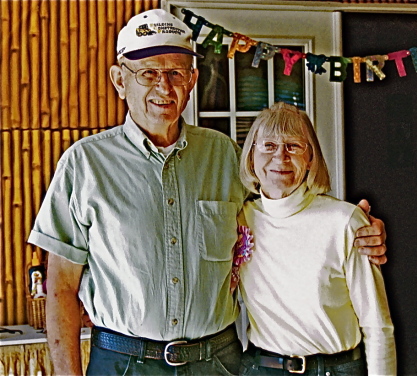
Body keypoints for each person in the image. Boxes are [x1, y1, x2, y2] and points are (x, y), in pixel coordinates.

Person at [27, 9, 387, 376]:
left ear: (192, 79)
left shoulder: (226, 156)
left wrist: (354, 227)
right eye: (148, 73)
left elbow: (284, 219)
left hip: (218, 362)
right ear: (120, 80)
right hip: (123, 363)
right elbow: (60, 290)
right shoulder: (84, 163)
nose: (164, 88)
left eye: (175, 74)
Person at [237, 102, 396, 376]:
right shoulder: (240, 219)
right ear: (251, 157)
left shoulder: (344, 221)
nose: (281, 157)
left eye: (293, 146)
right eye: (269, 146)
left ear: (310, 158)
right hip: (261, 369)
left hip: (335, 370)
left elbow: (377, 324)